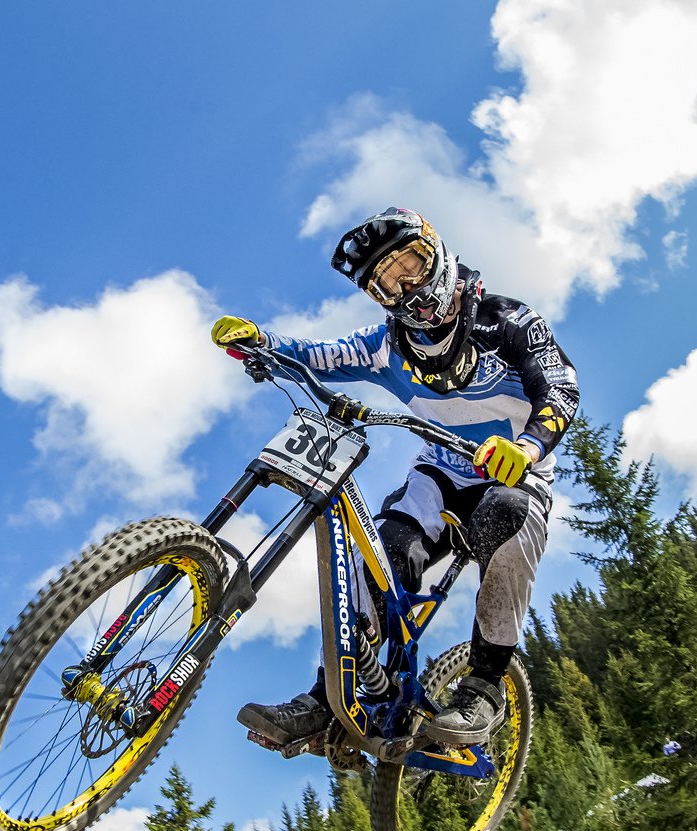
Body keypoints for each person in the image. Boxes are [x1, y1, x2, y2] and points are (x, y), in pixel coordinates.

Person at [211, 207, 580, 747]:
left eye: (409, 264)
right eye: (387, 283)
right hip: (441, 471)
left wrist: (527, 445)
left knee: (509, 518)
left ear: (436, 253)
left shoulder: (507, 321)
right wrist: (259, 340)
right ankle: (328, 695)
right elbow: (316, 355)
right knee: (384, 548)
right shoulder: (385, 344)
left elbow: (561, 386)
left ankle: (484, 688)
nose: (405, 285)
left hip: (515, 476)